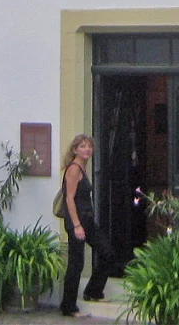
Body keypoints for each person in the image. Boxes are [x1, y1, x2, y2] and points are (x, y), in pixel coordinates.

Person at [58, 133, 111, 314]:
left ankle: (93, 291)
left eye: (89, 146)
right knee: (76, 263)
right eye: (82, 146)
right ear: (75, 150)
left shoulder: (83, 167)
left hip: (86, 220)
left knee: (107, 252)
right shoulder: (74, 169)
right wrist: (77, 225)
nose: (87, 149)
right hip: (78, 221)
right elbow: (69, 198)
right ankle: (68, 306)